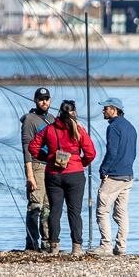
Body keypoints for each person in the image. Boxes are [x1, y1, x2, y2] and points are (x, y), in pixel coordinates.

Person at [28, 99, 96, 256]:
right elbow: (91, 153)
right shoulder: (79, 129)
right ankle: (77, 247)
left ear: (59, 112)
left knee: (55, 211)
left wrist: (48, 158)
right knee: (75, 211)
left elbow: (33, 147)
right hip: (75, 174)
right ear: (74, 113)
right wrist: (80, 162)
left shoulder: (49, 129)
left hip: (53, 174)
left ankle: (54, 246)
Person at [92, 96, 137, 256]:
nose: (103, 110)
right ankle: (121, 247)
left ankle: (106, 246)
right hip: (128, 175)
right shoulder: (131, 127)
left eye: (106, 108)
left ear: (114, 109)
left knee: (102, 210)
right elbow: (133, 153)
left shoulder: (113, 128)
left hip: (114, 176)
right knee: (121, 212)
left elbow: (112, 152)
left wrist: (104, 170)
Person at [20, 87, 55, 251]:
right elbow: (26, 146)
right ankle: (32, 242)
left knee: (48, 206)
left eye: (47, 99)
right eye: (41, 99)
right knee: (35, 205)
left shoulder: (52, 118)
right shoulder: (29, 120)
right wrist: (30, 175)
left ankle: (46, 241)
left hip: (51, 167)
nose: (44, 102)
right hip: (36, 166)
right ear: (35, 100)